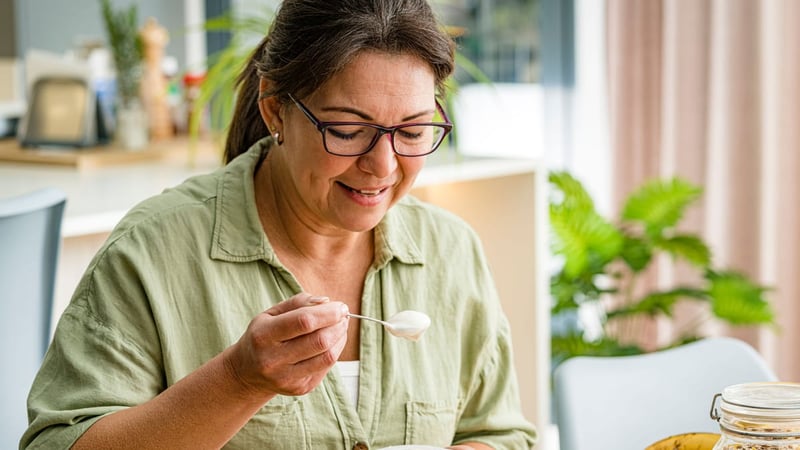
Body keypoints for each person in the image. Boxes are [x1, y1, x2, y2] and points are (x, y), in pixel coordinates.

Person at [22, 0, 537, 448]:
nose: (383, 166)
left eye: (413, 130)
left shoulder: (451, 250)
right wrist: (237, 382)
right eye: (347, 130)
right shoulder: (153, 252)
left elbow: (501, 434)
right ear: (274, 110)